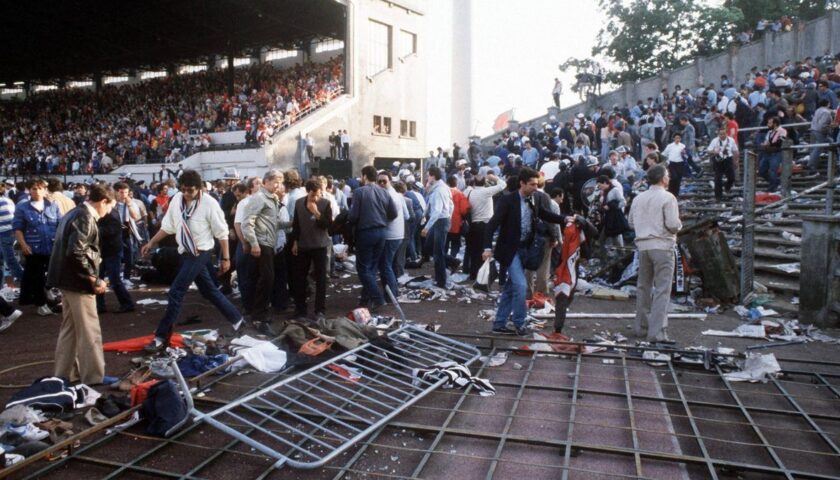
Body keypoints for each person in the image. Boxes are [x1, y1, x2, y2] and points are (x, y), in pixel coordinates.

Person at [141, 170, 244, 353]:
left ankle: (160, 337)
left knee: (176, 292)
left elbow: (222, 232)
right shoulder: (177, 200)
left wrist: (226, 258)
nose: (187, 193)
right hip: (186, 252)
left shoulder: (209, 203)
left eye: (191, 190)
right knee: (209, 291)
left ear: (199, 188)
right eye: (184, 189)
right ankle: (238, 320)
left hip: (201, 252)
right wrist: (151, 242)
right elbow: (169, 227)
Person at [483, 168, 571, 336]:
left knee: (511, 287)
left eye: (537, 185)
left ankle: (499, 323)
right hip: (510, 250)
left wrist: (565, 218)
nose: (535, 188)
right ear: (522, 183)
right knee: (521, 286)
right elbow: (492, 224)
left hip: (526, 248)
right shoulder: (508, 200)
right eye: (531, 184)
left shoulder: (535, 198)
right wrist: (487, 248)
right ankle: (519, 323)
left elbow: (545, 214)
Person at [47, 183, 115, 385]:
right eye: (110, 207)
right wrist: (94, 278)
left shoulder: (74, 212)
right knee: (89, 330)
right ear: (103, 201)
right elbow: (76, 252)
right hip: (77, 281)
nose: (108, 212)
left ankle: (64, 374)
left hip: (64, 279)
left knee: (70, 328)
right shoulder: (85, 217)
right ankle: (94, 377)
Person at [628, 165, 682, 342]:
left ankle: (640, 328)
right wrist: (679, 227)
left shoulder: (638, 198)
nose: (669, 178)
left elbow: (631, 223)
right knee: (661, 290)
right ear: (662, 179)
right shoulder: (668, 197)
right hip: (662, 246)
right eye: (667, 175)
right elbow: (673, 224)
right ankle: (656, 332)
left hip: (643, 246)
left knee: (643, 287)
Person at [348, 165, 397, 309]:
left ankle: (377, 298)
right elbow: (393, 214)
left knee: (363, 269)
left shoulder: (359, 192)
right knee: (372, 267)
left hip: (366, 233)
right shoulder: (384, 192)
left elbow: (353, 216)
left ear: (364, 177)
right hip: (381, 232)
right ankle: (366, 298)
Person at [241, 170, 283, 334]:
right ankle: (258, 317)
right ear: (266, 182)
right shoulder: (259, 198)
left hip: (268, 243)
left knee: (265, 279)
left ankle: (259, 314)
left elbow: (272, 222)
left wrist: (289, 224)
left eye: (279, 182)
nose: (277, 185)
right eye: (274, 182)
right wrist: (254, 243)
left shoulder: (273, 198)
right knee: (267, 279)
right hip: (262, 243)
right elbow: (247, 223)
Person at [14, 178, 62, 316]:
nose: (38, 191)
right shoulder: (22, 207)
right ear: (29, 190)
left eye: (40, 188)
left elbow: (60, 225)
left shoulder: (53, 205)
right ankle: (41, 304)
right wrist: (23, 245)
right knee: (37, 276)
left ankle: (47, 293)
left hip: (52, 246)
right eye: (34, 188)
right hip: (33, 248)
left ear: (45, 190)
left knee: (55, 273)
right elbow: (18, 228)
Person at [290, 178, 332, 320]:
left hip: (320, 245)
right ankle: (300, 309)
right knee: (300, 278)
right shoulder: (298, 203)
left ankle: (320, 310)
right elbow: (296, 224)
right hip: (303, 245)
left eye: (318, 195)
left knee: (320, 279)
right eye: (313, 195)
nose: (316, 198)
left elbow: (327, 225)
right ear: (307, 192)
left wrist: (317, 213)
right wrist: (295, 241)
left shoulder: (325, 203)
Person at [95, 195, 135, 314]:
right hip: (106, 250)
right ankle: (100, 306)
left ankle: (127, 303)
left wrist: (93, 229)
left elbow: (110, 231)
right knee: (100, 278)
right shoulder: (111, 213)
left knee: (114, 279)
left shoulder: (112, 215)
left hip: (111, 251)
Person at [466, 173, 506, 280]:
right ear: (485, 183)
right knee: (485, 251)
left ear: (474, 183)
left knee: (475, 251)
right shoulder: (487, 191)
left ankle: (473, 274)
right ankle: (484, 276)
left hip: (474, 225)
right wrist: (494, 177)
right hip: (486, 225)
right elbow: (503, 185)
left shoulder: (470, 192)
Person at [376, 172, 408, 300]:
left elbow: (391, 215)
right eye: (380, 181)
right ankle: (390, 292)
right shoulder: (393, 194)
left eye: (384, 181)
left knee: (385, 265)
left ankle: (391, 295)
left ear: (390, 181)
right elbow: (405, 215)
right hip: (395, 234)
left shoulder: (390, 195)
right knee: (389, 265)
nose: (382, 184)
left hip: (391, 235)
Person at [422, 166, 455, 288]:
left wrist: (427, 227)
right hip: (442, 220)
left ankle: (441, 281)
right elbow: (451, 205)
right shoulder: (441, 187)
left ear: (433, 176)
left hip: (440, 221)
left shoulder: (439, 190)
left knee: (438, 253)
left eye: (428, 175)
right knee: (430, 248)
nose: (427, 177)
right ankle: (452, 261)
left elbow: (437, 211)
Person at [0, 181, 23, 287]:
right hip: (10, 232)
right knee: (7, 260)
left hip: (4, 233)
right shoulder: (8, 200)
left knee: (10, 260)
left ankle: (25, 280)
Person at [707, 129, 739, 201]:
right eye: (720, 134)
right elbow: (708, 151)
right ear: (718, 135)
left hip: (728, 159)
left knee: (732, 177)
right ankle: (718, 196)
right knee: (718, 179)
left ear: (726, 134)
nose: (722, 136)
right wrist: (714, 152)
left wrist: (736, 161)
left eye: (723, 134)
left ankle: (727, 187)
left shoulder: (731, 140)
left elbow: (735, 151)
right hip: (718, 161)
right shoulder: (715, 141)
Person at [758, 117, 787, 192]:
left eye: (770, 123)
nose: (768, 124)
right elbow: (766, 141)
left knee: (772, 170)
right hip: (767, 153)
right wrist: (765, 145)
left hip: (776, 153)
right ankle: (776, 181)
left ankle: (772, 187)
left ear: (775, 124)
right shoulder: (769, 132)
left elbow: (780, 142)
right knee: (761, 171)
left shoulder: (782, 131)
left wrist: (769, 144)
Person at [808, 99, 834, 174]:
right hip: (819, 132)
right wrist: (829, 129)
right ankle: (811, 164)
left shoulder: (818, 110)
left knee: (830, 142)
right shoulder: (826, 112)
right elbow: (822, 125)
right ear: (828, 104)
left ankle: (832, 159)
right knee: (818, 148)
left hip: (813, 129)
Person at [661, 133, 687, 197]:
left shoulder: (683, 146)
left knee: (678, 179)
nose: (677, 139)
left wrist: (684, 153)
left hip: (680, 164)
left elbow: (686, 156)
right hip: (672, 164)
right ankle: (670, 192)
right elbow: (664, 154)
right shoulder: (670, 146)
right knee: (673, 178)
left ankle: (676, 194)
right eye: (676, 138)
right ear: (673, 138)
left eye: (679, 138)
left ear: (680, 139)